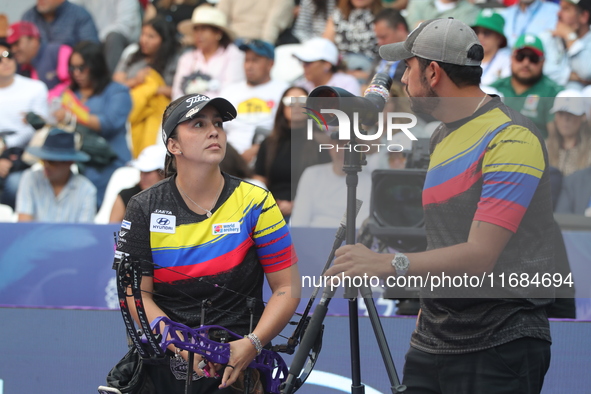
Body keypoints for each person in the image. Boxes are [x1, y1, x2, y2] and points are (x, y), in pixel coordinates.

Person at [325, 18, 556, 393]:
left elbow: (480, 255)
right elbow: (442, 240)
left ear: (432, 73)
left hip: (501, 344)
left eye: (408, 67)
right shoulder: (440, 135)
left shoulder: (512, 137)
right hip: (433, 340)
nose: (402, 79)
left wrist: (386, 264)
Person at [111, 93, 300, 393]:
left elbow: (287, 286)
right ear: (173, 145)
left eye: (218, 124)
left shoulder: (257, 201)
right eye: (198, 124)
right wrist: (181, 345)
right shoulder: (143, 206)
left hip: (240, 364)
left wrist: (252, 344)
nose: (214, 131)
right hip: (167, 364)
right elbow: (136, 294)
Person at [53, 41, 132, 207]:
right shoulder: (71, 93)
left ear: (95, 65)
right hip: (75, 159)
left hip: (108, 161)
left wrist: (72, 114)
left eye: (81, 67)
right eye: (72, 68)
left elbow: (108, 123)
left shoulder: (117, 91)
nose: (76, 73)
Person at [253, 86, 331, 220]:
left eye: (302, 101)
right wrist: (272, 204)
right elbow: (259, 180)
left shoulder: (322, 142)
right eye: (289, 101)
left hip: (313, 210)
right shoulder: (269, 143)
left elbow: (329, 182)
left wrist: (296, 205)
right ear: (282, 107)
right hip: (272, 209)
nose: (295, 106)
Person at [114, 16, 181, 158]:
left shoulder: (174, 60)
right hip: (131, 105)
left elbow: (178, 91)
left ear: (164, 40)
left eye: (151, 36)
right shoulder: (132, 55)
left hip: (158, 109)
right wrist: (136, 81)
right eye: (143, 34)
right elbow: (116, 84)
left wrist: (153, 88)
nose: (144, 40)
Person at [219, 39, 288, 162]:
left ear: (270, 64)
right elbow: (217, 129)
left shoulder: (284, 91)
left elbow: (288, 130)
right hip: (229, 157)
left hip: (270, 154)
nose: (249, 66)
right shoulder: (229, 91)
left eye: (255, 60)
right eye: (246, 60)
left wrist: (259, 149)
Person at [0, 39, 49, 209]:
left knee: (15, 184)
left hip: (27, 157)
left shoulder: (35, 88)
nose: (5, 61)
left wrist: (6, 145)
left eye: (8, 55)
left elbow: (38, 129)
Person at [15, 127, 96, 223]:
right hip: (35, 238)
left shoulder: (86, 190)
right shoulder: (29, 178)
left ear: (69, 162)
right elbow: (24, 225)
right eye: (43, 160)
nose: (45, 165)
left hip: (70, 238)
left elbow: (83, 233)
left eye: (52, 162)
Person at [491, 33, 564, 138]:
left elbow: (555, 139)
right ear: (511, 58)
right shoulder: (495, 88)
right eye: (520, 57)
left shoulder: (554, 93)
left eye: (533, 58)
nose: (526, 63)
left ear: (543, 62)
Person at [171, 5, 244, 99]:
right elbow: (177, 93)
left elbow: (231, 91)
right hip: (190, 112)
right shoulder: (187, 58)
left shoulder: (233, 54)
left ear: (218, 33)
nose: (199, 34)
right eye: (196, 29)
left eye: (204, 29)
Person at [70, 0, 142, 75]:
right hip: (92, 37)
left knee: (113, 38)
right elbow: (73, 10)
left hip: (123, 40)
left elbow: (125, 25)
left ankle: (112, 83)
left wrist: (97, 39)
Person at [7, 21, 72, 99]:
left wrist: (46, 98)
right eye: (11, 46)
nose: (13, 50)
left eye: (17, 43)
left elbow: (72, 83)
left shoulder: (59, 52)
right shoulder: (20, 67)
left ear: (34, 40)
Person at [538, 0, 591, 89]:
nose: (558, 14)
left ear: (583, 16)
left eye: (566, 9)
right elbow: (539, 71)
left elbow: (587, 72)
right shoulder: (548, 36)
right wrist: (573, 77)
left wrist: (571, 38)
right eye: (560, 8)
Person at [323, 0, 383, 77]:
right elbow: (325, 47)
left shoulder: (383, 17)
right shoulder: (337, 15)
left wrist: (367, 75)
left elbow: (388, 51)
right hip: (341, 69)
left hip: (371, 70)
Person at [109, 144, 166, 223]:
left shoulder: (176, 198)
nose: (142, 176)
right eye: (141, 171)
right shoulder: (125, 196)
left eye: (148, 172)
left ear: (163, 173)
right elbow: (112, 230)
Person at [293, 37, 361, 95]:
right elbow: (296, 111)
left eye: (308, 62)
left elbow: (351, 109)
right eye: (302, 62)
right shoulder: (300, 86)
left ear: (327, 64)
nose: (304, 66)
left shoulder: (347, 83)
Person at [546, 89, 591, 176]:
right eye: (561, 113)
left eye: (571, 114)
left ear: (583, 117)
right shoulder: (546, 147)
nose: (565, 119)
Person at [21, 0, 99, 48]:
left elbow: (90, 50)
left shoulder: (80, 15)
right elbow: (22, 49)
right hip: (35, 71)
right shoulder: (29, 16)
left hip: (71, 70)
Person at [216, 0, 295, 44]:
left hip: (259, 43)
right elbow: (219, 18)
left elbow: (272, 27)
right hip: (230, 41)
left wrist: (263, 50)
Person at [471, 9, 512, 87]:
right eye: (477, 31)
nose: (480, 37)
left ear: (499, 38)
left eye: (486, 32)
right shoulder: (465, 58)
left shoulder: (507, 62)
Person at [370, 8, 409, 83]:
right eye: (378, 37)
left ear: (401, 28)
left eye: (383, 37)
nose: (379, 42)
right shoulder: (381, 52)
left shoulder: (415, 54)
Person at [404, 0, 478, 30]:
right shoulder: (418, 2)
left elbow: (457, 36)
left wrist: (424, 24)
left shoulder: (471, 10)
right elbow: (410, 27)